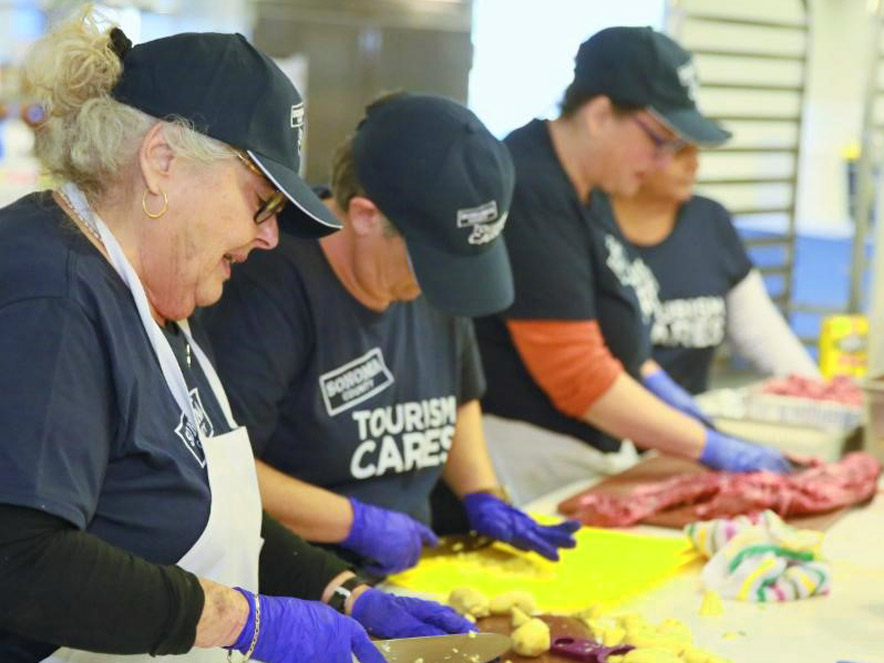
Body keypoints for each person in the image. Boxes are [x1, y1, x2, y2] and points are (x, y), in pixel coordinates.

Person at [0, 11, 472, 663]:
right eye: (261, 203)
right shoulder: (49, 293)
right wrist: (241, 619)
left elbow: (212, 512)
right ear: (162, 162)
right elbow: (20, 559)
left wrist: (340, 591)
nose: (269, 237)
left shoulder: (159, 294)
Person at [200, 93, 580, 577]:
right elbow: (219, 470)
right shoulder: (267, 287)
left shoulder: (426, 270)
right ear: (364, 216)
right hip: (300, 581)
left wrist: (483, 492)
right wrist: (355, 523)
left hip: (416, 570)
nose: (437, 286)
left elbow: (457, 395)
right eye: (434, 266)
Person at [474, 26, 796, 506]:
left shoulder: (592, 186)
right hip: (527, 458)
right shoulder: (532, 190)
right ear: (601, 115)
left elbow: (614, 327)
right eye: (660, 139)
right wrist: (707, 445)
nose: (666, 159)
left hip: (586, 449)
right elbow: (578, 376)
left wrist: (660, 386)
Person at [607, 143, 821, 394]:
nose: (694, 164)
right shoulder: (592, 228)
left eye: (695, 151)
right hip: (613, 420)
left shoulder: (708, 220)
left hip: (689, 418)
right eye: (678, 153)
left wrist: (819, 392)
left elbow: (760, 332)